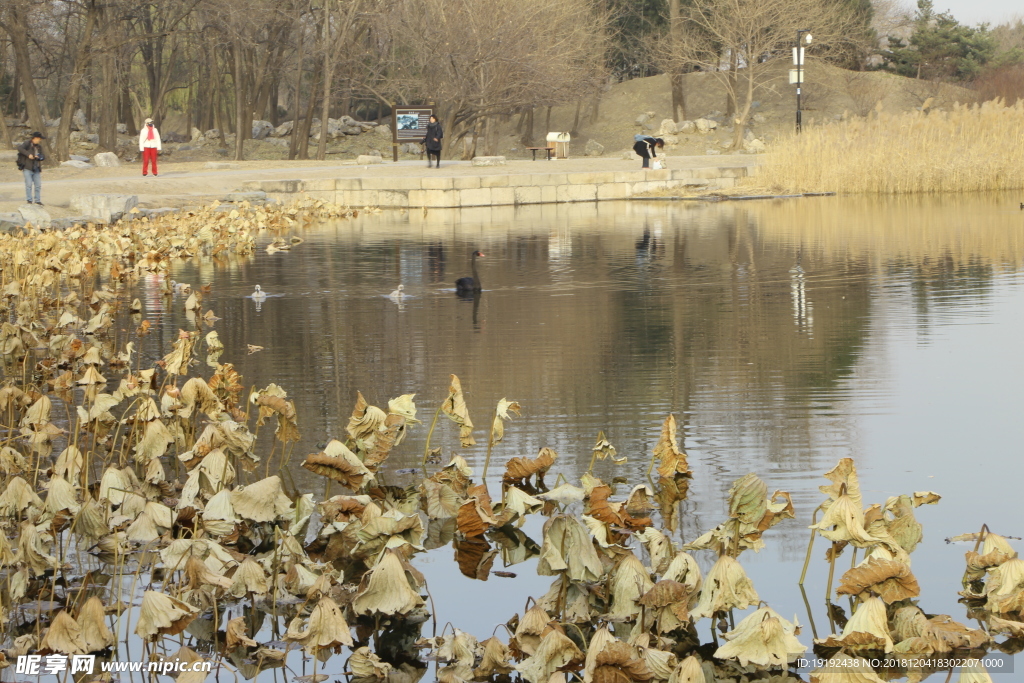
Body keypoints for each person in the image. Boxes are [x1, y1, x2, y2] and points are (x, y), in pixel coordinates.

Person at [16, 131, 46, 205]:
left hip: (36, 168)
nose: (40, 140)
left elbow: (43, 156)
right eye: (39, 138)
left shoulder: (39, 147)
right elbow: (19, 148)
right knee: (29, 185)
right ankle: (29, 200)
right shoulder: (27, 143)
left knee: (38, 185)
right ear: (35, 138)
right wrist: (28, 154)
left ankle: (37, 200)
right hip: (27, 168)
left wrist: (39, 157)